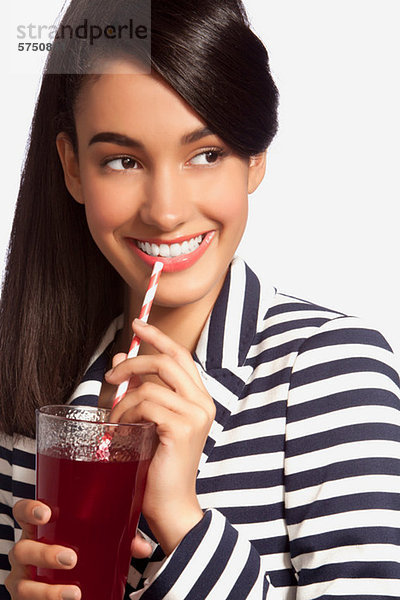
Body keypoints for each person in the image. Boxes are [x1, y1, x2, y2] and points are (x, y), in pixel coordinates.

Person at [1, 0, 399, 598]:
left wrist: (182, 521)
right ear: (73, 168)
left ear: (255, 157)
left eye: (206, 154)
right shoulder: (31, 399)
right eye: (122, 161)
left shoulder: (335, 373)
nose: (164, 211)